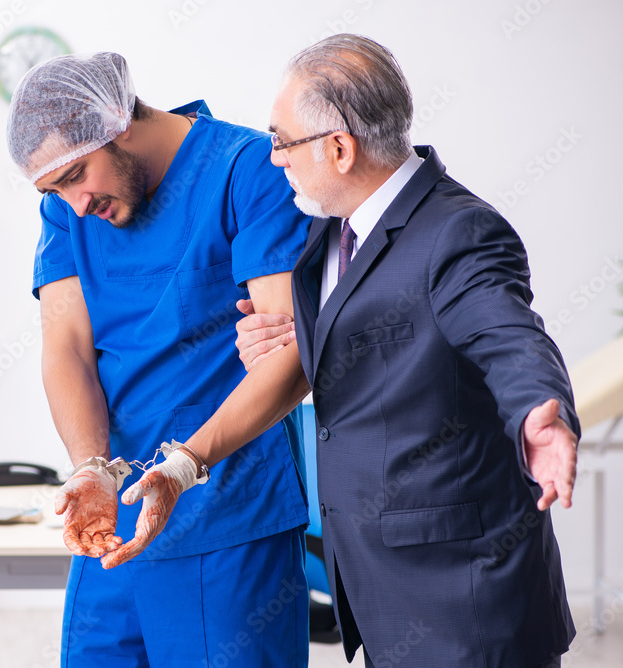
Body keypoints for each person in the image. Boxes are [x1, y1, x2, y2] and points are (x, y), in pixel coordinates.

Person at [235, 34, 579, 667]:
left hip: (464, 599)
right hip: (382, 587)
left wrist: (541, 409)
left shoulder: (459, 231)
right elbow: (364, 349)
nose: (274, 158)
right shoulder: (331, 228)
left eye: (281, 140)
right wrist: (285, 340)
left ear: (339, 148)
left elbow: (507, 333)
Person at [6, 52, 314, 667]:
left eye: (76, 176)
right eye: (54, 190)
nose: (74, 204)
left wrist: (183, 466)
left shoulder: (245, 170)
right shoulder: (68, 210)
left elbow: (288, 357)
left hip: (229, 520)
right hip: (115, 517)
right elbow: (66, 349)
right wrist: (89, 465)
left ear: (117, 121)